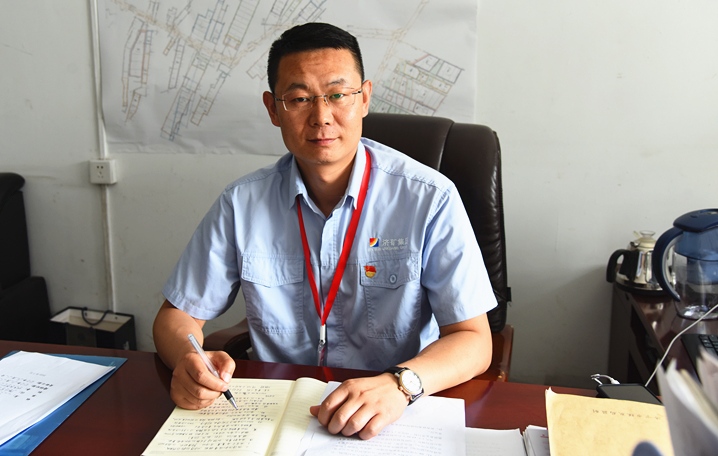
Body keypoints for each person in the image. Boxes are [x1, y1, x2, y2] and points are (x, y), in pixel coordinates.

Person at [153, 22, 497, 439]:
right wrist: (188, 360)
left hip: (390, 414)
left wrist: (400, 385)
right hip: (277, 414)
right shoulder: (241, 204)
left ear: (364, 98)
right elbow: (177, 315)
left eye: (337, 95)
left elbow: (474, 339)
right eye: (299, 99)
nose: (321, 117)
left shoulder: (429, 198)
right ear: (273, 109)